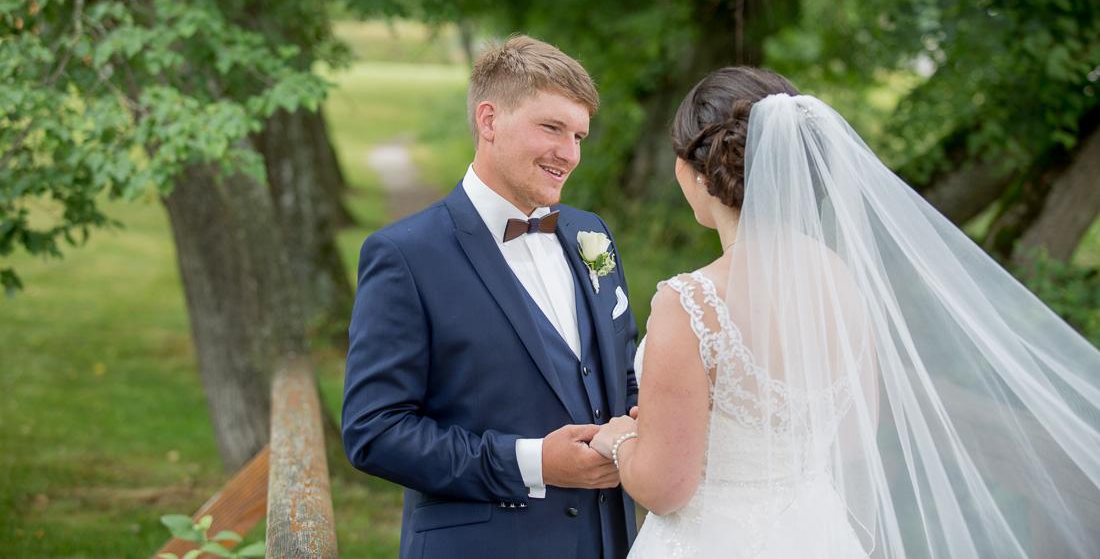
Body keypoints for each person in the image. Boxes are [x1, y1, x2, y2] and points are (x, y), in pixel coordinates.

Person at [592, 66, 1100, 558]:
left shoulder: (690, 302)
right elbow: (854, 441)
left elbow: (664, 488)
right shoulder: (844, 283)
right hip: (816, 534)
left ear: (693, 172)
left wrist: (623, 441)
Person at [342, 35, 639, 559]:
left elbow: (620, 371)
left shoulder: (591, 233)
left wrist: (643, 418)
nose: (568, 154)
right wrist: (533, 462)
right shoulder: (405, 255)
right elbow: (373, 431)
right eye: (551, 128)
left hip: (607, 541)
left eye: (579, 136)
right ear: (488, 120)